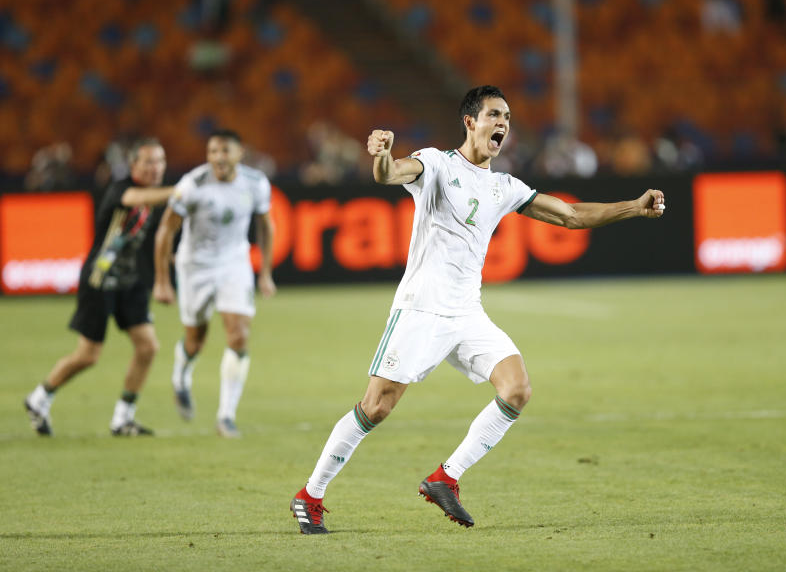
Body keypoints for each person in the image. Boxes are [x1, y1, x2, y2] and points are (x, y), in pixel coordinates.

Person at [289, 86, 666, 534]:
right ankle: (309, 495)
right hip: (421, 310)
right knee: (376, 406)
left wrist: (633, 207)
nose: (502, 122)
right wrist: (383, 154)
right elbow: (390, 174)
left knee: (517, 389)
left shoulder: (504, 186)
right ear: (470, 121)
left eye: (507, 115)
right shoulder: (436, 164)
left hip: (467, 313)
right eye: (493, 114)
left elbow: (570, 216)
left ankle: (444, 478)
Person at [24, 138, 174, 437]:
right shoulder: (121, 188)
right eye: (148, 161)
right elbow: (133, 199)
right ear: (133, 165)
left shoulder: (155, 196)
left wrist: (160, 279)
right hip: (100, 279)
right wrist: (182, 190)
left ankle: (122, 418)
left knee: (148, 347)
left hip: (129, 282)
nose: (155, 168)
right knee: (88, 355)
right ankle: (39, 397)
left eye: (160, 161)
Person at [152, 129, 275, 438]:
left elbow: (266, 226)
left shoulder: (256, 183)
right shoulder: (192, 185)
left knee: (239, 336)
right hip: (195, 266)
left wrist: (265, 272)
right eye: (213, 152)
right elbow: (165, 231)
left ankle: (226, 417)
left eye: (225, 151)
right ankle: (181, 376)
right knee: (196, 340)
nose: (219, 158)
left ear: (239, 153)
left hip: (234, 263)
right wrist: (162, 281)